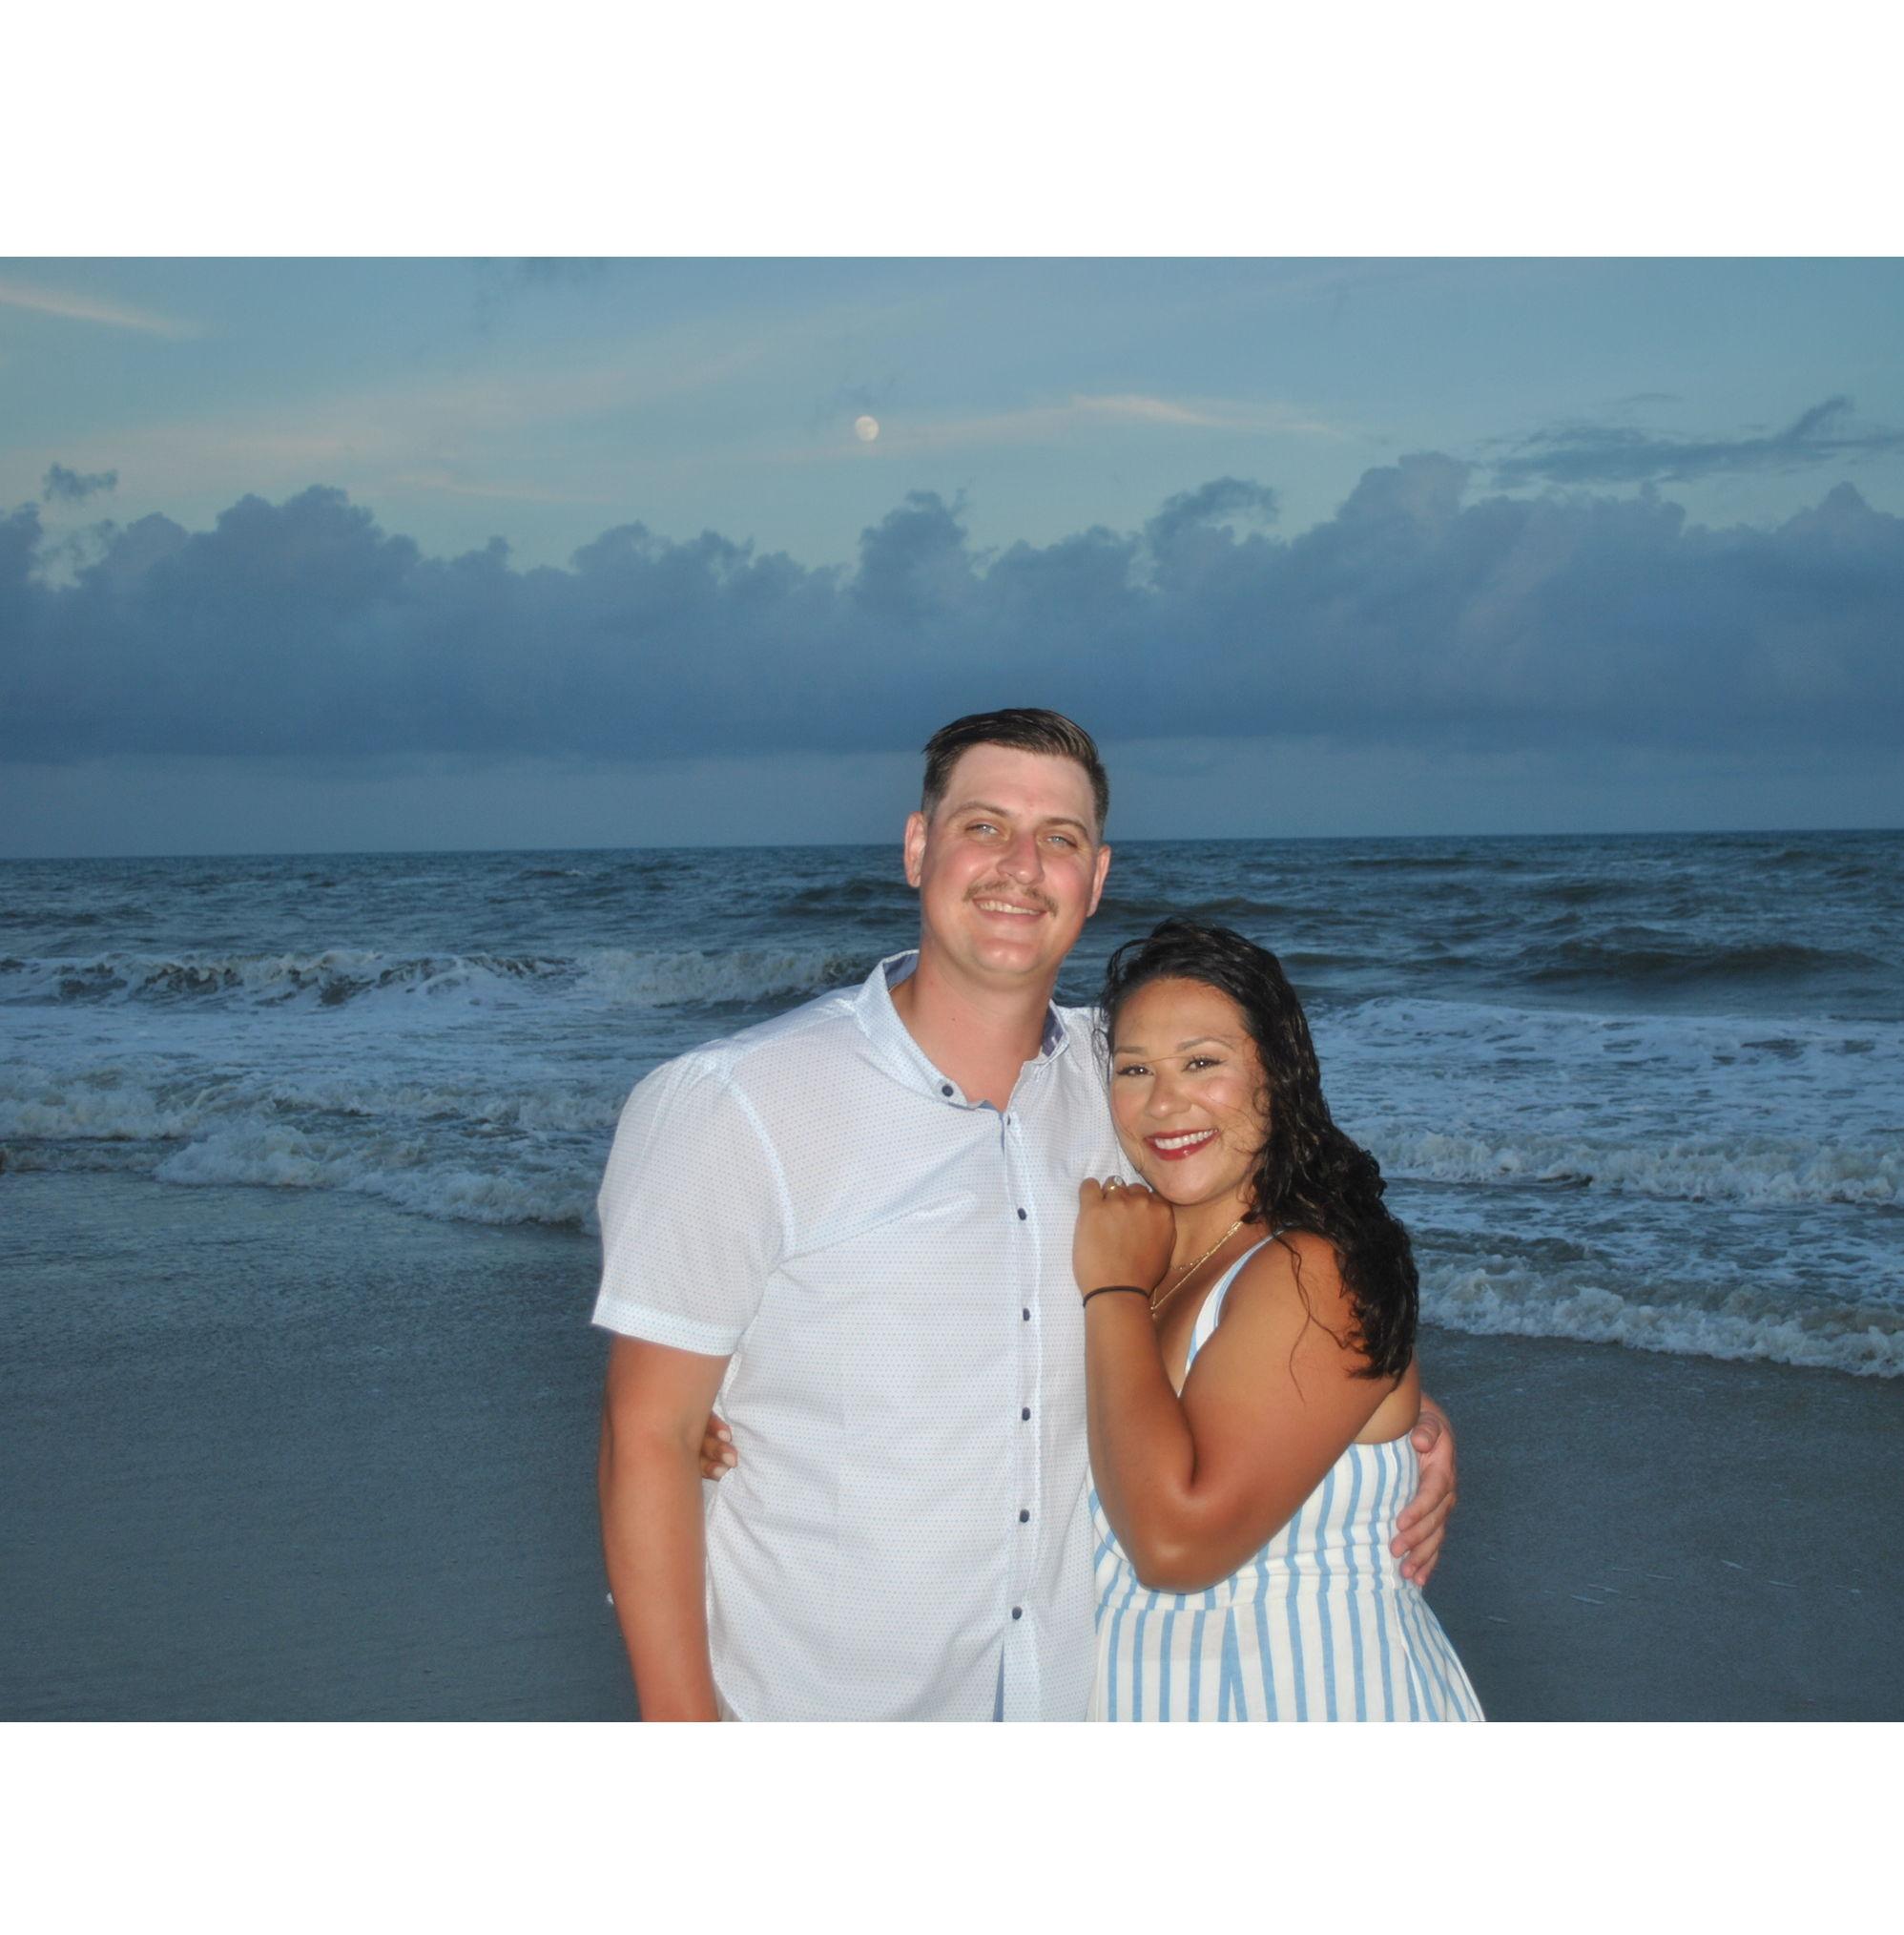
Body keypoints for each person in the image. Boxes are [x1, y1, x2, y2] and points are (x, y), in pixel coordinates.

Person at [595, 707, 1458, 1720]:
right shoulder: (739, 1103)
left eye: (1059, 838)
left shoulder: (1124, 1087)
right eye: (983, 826)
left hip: (1065, 1701)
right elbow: (647, 1434)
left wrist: (1390, 1413)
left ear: (1096, 878)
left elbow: (1277, 1250)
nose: (1020, 865)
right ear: (917, 848)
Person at [1072, 919, 1483, 1720]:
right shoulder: (1135, 1244)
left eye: (1202, 1063)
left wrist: (1113, 1291)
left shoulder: (1311, 1269)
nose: (1164, 1102)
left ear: (1278, 1073)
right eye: (1134, 1069)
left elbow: (1176, 1547)